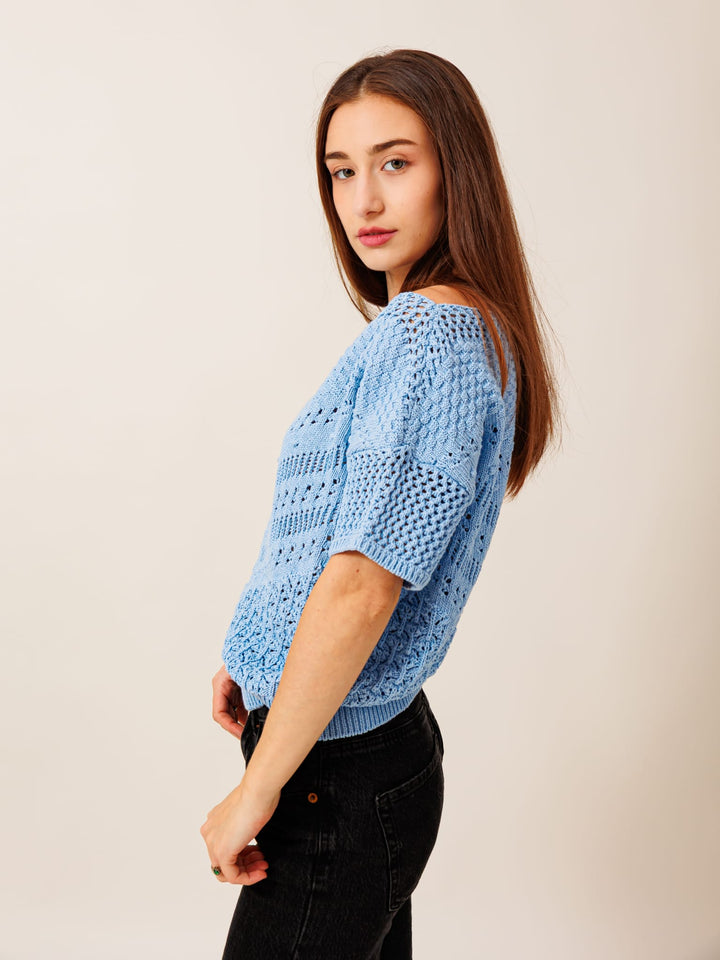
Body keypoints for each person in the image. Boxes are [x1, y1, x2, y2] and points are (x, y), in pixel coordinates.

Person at [200, 48, 561, 959]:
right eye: (341, 171)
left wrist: (255, 792)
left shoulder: (430, 336)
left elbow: (365, 584)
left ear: (455, 171)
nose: (362, 201)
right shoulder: (450, 324)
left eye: (395, 163)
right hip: (359, 747)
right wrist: (263, 649)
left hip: (335, 775)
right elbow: (332, 540)